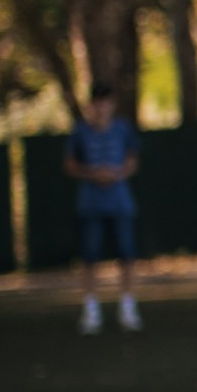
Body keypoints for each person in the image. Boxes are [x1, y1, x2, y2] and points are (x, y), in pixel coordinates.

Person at [65, 84, 142, 334]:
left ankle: (128, 306)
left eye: (105, 102)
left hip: (120, 202)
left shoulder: (122, 129)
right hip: (91, 204)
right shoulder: (80, 132)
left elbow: (132, 159)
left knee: (127, 254)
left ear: (112, 104)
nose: (101, 107)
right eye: (97, 102)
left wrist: (117, 173)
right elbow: (69, 164)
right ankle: (91, 308)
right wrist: (93, 174)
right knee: (89, 256)